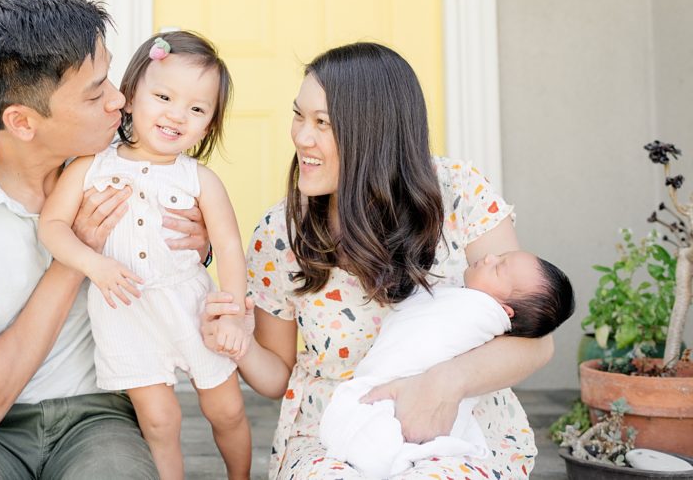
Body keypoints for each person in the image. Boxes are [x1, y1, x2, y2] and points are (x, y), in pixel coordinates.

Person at [0, 0, 211, 479]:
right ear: (22, 121)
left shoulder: (120, 167)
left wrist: (196, 246)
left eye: (110, 79)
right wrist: (73, 254)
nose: (119, 101)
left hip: (95, 416)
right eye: (95, 92)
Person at [201, 42, 556, 479]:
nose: (300, 137)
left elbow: (536, 340)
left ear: (375, 131)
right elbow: (278, 377)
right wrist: (236, 341)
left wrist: (443, 383)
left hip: (455, 428)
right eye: (299, 116)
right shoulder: (280, 233)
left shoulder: (459, 193)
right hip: (333, 434)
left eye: (322, 123)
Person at [39, 31, 252, 480]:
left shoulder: (200, 179)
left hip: (190, 304)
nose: (178, 114)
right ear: (130, 97)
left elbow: (228, 246)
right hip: (125, 313)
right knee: (159, 420)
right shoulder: (89, 165)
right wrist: (92, 264)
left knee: (227, 409)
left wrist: (231, 314)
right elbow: (52, 226)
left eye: (197, 109)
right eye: (164, 96)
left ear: (209, 125)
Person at [319, 250, 575, 478]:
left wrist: (447, 380)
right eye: (499, 256)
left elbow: (541, 345)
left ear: (505, 311)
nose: (489, 257)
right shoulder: (457, 298)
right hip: (370, 398)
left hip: (419, 412)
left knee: (379, 441)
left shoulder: (481, 313)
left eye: (498, 267)